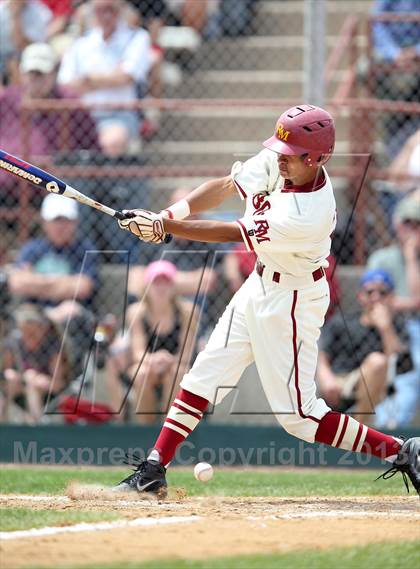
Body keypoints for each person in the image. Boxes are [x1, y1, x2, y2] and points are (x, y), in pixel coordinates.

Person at [114, 104, 419, 497]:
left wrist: (165, 228)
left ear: (318, 158)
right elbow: (226, 186)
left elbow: (228, 232)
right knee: (202, 376)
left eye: (292, 156)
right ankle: (154, 468)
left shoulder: (306, 212)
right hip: (258, 285)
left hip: (292, 299)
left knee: (302, 419)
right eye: (281, 151)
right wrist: (166, 214)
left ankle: (402, 451)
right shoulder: (282, 156)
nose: (281, 159)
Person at [7, 193, 99, 376]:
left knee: (72, 310)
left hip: (68, 318)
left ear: (75, 222)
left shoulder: (85, 250)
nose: (60, 227)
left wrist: (36, 282)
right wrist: (61, 285)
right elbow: (17, 283)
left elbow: (82, 288)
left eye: (66, 221)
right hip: (35, 316)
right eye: (55, 221)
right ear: (44, 222)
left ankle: (63, 380)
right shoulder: (32, 249)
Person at [0, 42, 98, 206]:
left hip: (51, 187)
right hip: (7, 183)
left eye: (41, 74)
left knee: (62, 202)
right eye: (31, 73)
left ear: (54, 73)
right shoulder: (8, 99)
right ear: (22, 73)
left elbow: (92, 149)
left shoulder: (70, 103)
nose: (35, 80)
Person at [106, 260, 198, 424]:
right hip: (148, 363)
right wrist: (155, 359)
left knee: (177, 373)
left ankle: (170, 430)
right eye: (156, 282)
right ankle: (146, 429)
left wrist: (168, 360)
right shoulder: (137, 312)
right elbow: (138, 353)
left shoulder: (187, 311)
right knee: (141, 374)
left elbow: (186, 354)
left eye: (166, 282)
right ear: (147, 287)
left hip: (176, 363)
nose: (161, 288)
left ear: (173, 287)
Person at [317, 269, 412, 425]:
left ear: (392, 297)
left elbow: (398, 365)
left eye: (383, 292)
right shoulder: (342, 322)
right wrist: (326, 379)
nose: (376, 297)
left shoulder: (398, 327)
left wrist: (385, 328)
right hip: (341, 382)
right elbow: (322, 356)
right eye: (370, 292)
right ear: (360, 296)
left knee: (377, 362)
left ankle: (359, 428)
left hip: (380, 388)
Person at [57, 0, 151, 155]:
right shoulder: (82, 43)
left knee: (111, 141)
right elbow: (64, 83)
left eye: (111, 9)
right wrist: (111, 78)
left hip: (119, 113)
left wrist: (87, 80)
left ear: (120, 11)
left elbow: (127, 77)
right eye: (100, 10)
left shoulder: (137, 37)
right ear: (93, 12)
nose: (106, 15)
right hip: (82, 115)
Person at [367, 192, 420, 427]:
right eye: (407, 223)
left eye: (417, 224)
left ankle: (393, 427)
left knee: (412, 371)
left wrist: (411, 258)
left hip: (415, 328)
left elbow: (417, 301)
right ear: (397, 224)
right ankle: (385, 428)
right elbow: (371, 297)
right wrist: (400, 303)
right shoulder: (382, 257)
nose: (411, 229)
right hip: (388, 326)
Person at [0, 303, 71, 424]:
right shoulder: (15, 343)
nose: (29, 339)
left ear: (42, 329)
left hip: (44, 388)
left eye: (33, 333)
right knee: (10, 379)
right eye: (25, 333)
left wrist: (36, 379)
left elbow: (58, 384)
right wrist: (17, 376)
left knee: (32, 384)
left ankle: (35, 429)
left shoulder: (52, 346)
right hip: (21, 385)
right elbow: (6, 373)